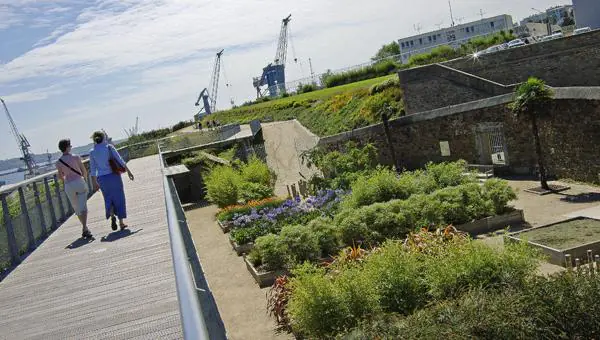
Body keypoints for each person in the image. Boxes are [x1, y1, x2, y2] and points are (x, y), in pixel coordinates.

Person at [89, 131, 135, 231]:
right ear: (104, 137)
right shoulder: (109, 147)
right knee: (119, 198)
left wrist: (94, 182)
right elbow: (120, 160)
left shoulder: (92, 152)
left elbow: (92, 169)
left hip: (102, 179)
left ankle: (111, 214)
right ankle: (121, 223)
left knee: (108, 198)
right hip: (113, 176)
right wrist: (129, 171)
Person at [56, 139, 92, 239]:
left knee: (76, 208)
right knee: (83, 206)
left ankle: (85, 228)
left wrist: (67, 179)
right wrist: (83, 179)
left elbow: (60, 176)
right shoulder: (76, 157)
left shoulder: (58, 162)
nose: (71, 147)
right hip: (79, 182)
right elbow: (83, 171)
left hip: (68, 185)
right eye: (70, 146)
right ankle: (85, 228)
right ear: (67, 147)